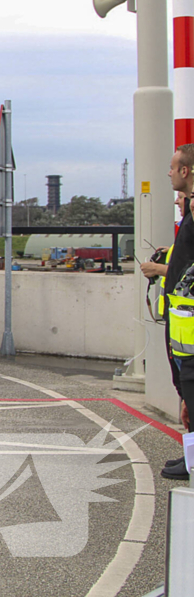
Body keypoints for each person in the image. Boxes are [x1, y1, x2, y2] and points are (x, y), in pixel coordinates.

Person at [143, 144, 194, 480]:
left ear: (185, 171)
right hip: (180, 324)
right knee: (186, 391)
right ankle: (190, 458)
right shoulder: (189, 213)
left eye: (172, 167)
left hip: (189, 324)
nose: (168, 172)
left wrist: (160, 271)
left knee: (191, 390)